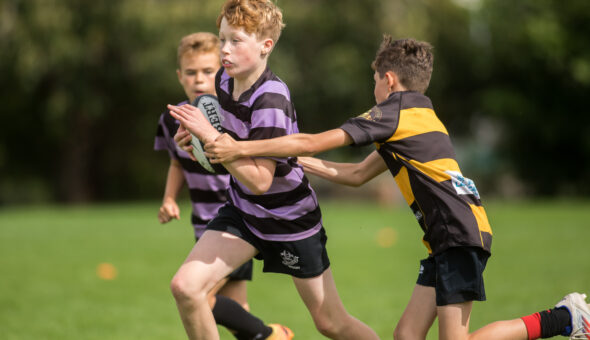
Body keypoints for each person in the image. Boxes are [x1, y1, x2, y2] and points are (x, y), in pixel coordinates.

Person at [191, 36, 590, 340]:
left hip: (459, 235)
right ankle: (566, 317)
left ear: (389, 79)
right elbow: (356, 175)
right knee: (405, 337)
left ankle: (565, 318)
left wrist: (238, 146)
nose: (373, 92)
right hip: (449, 236)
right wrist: (297, 162)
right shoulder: (420, 116)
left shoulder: (392, 112)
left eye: (374, 82)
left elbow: (313, 140)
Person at [167, 1, 380, 340]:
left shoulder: (271, 99)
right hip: (244, 211)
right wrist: (195, 141)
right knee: (186, 288)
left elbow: (261, 180)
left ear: (266, 46)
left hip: (289, 219)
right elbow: (228, 141)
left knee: (330, 323)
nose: (225, 49)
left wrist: (210, 137)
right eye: (222, 39)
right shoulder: (223, 79)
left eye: (236, 41)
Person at [154, 31, 293, 340]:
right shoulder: (171, 118)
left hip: (236, 224)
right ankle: (266, 335)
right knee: (236, 310)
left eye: (207, 71)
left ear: (221, 71)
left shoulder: (230, 113)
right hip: (202, 225)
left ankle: (270, 334)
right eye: (190, 73)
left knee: (199, 296)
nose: (199, 80)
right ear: (180, 76)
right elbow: (177, 163)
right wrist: (169, 199)